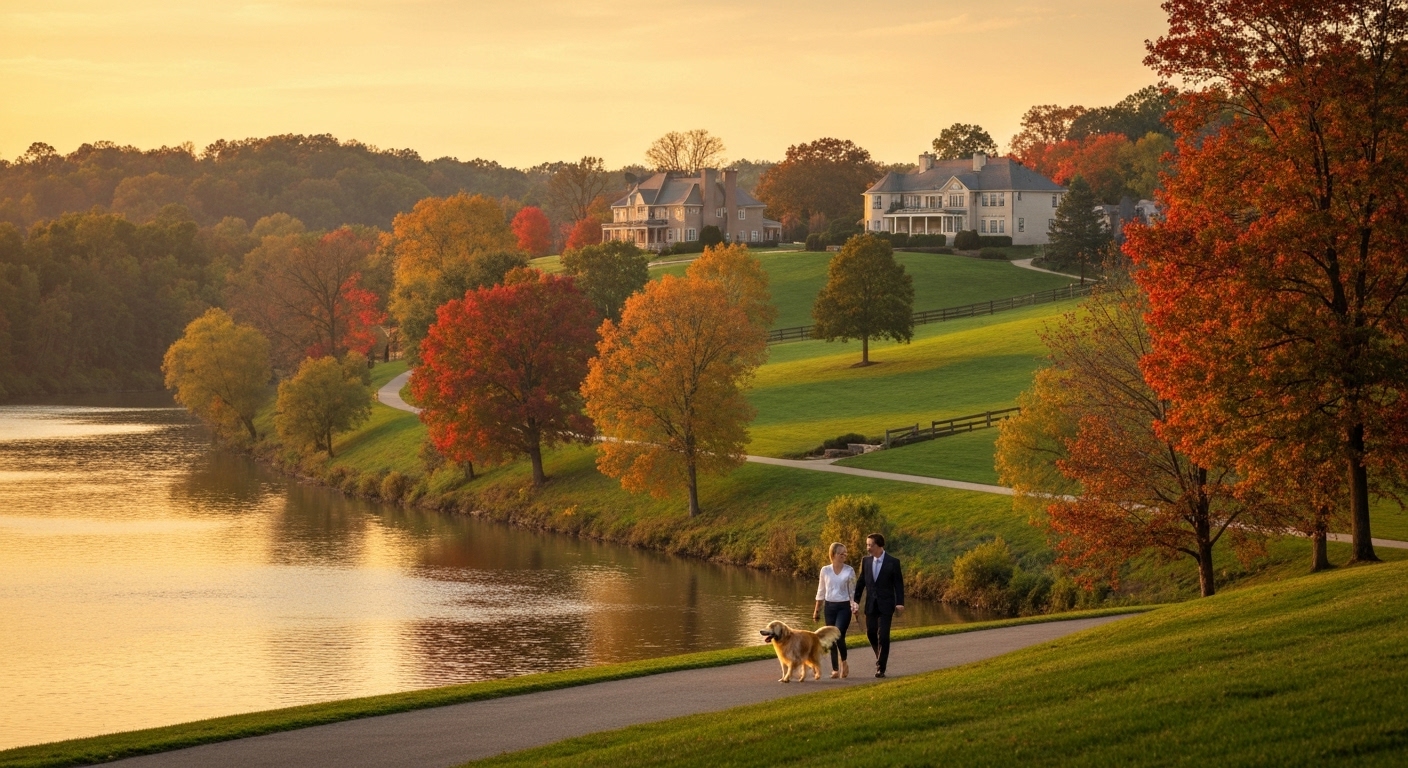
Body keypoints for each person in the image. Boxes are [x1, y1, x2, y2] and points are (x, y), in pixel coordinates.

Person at [853, 532, 904, 677]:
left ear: (879, 545)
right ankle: (880, 655)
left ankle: (881, 667)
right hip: (871, 604)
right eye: (867, 545)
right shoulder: (866, 561)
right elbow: (861, 582)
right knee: (870, 633)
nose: (868, 548)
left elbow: (898, 584)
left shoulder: (893, 562)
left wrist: (900, 602)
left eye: (871, 545)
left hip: (886, 605)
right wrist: (855, 601)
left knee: (884, 636)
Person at [812, 542, 857, 678]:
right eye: (841, 553)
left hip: (844, 607)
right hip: (830, 607)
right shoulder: (825, 570)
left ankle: (844, 662)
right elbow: (821, 592)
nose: (844, 555)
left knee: (838, 635)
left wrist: (854, 608)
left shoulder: (849, 570)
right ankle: (835, 669)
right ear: (833, 555)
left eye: (845, 553)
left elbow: (853, 592)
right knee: (831, 638)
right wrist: (817, 611)